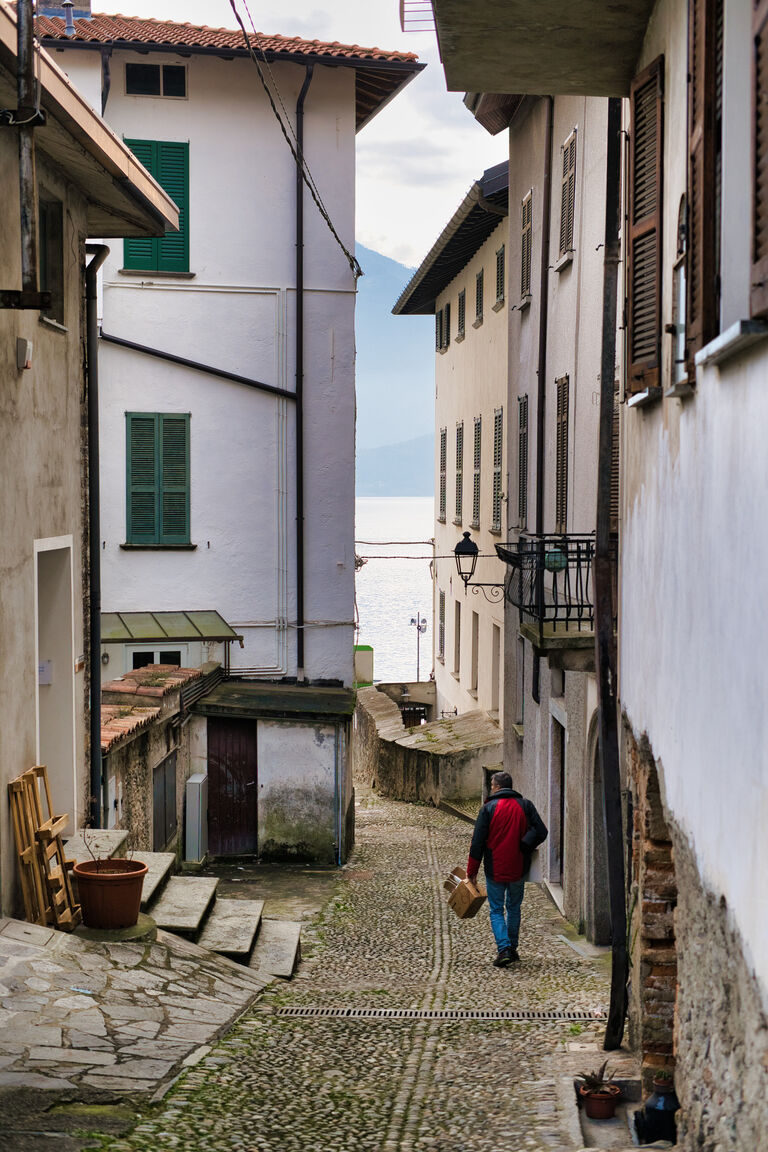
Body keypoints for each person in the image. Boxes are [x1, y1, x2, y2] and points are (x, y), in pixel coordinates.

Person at [466, 770, 548, 967]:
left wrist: (472, 872)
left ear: (496, 787)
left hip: (495, 867)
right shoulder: (525, 805)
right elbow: (541, 831)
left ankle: (504, 949)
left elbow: (477, 842)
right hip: (519, 866)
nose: (491, 788)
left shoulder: (488, 808)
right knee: (513, 907)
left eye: (492, 785)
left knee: (496, 909)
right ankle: (512, 948)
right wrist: (525, 845)